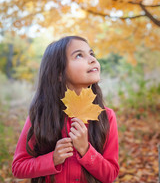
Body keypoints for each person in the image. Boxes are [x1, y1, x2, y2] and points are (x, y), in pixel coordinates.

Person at [12, 36, 119, 183]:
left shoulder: (106, 116)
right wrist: (53, 159)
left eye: (91, 54)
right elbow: (18, 167)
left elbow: (110, 175)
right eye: (79, 55)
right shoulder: (41, 115)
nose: (92, 59)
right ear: (59, 74)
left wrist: (85, 150)